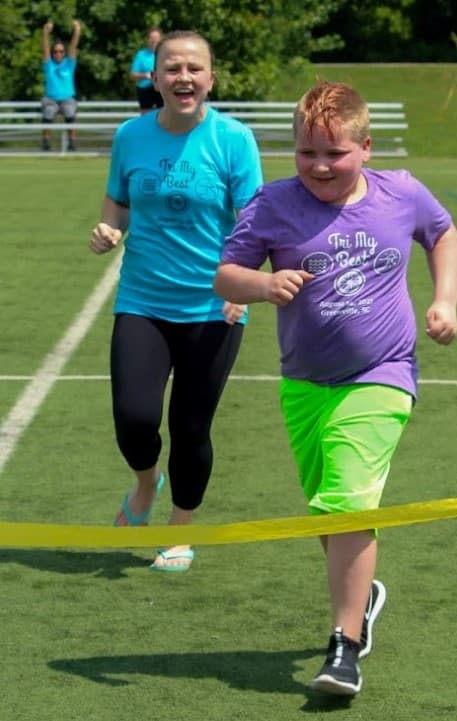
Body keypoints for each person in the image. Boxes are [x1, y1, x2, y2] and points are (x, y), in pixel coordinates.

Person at [215, 80, 457, 696]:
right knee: (328, 515)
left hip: (383, 374)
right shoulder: (273, 204)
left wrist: (446, 300)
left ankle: (344, 646)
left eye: (335, 154)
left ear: (366, 147)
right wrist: (264, 287)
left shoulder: (400, 192)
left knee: (348, 502)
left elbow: (443, 232)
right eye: (306, 154)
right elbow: (226, 275)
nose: (320, 167)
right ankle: (364, 591)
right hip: (304, 382)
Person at [89, 30, 263, 572]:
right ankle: (145, 485)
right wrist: (109, 229)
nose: (183, 78)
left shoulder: (234, 139)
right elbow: (117, 202)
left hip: (214, 307)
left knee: (191, 426)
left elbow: (256, 222)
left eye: (194, 68)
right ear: (156, 77)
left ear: (211, 78)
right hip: (142, 299)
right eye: (172, 68)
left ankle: (181, 528)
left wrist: (243, 284)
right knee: (134, 418)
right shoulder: (131, 136)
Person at [41, 19, 82, 151]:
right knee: (48, 112)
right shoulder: (49, 65)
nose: (58, 54)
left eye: (61, 51)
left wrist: (76, 31)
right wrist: (45, 33)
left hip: (67, 98)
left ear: (64, 53)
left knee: (70, 112)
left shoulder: (69, 64)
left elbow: (73, 46)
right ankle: (46, 142)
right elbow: (45, 48)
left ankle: (71, 142)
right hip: (51, 98)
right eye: (55, 52)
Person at [130, 27, 164, 113]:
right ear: (147, 39)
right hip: (145, 88)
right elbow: (133, 74)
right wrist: (145, 75)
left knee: (163, 112)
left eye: (156, 38)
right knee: (146, 114)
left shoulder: (165, 54)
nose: (154, 41)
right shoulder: (141, 55)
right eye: (152, 38)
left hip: (161, 87)